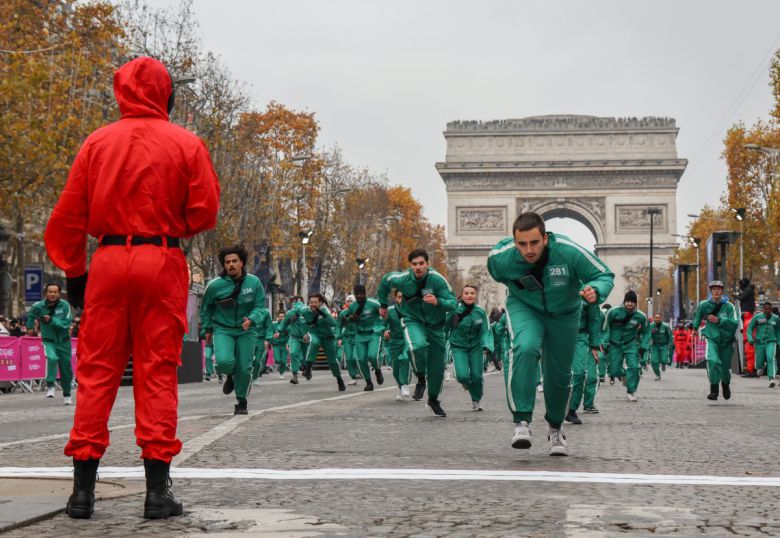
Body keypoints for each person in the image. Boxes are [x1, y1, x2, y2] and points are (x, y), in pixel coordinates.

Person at [44, 57, 220, 520]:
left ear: (121, 91)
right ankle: (156, 492)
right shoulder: (187, 143)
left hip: (106, 259)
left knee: (96, 374)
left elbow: (66, 217)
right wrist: (169, 225)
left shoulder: (96, 143)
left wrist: (75, 276)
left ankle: (82, 492)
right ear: (167, 94)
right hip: (160, 259)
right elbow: (205, 211)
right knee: (157, 374)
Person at [487, 212, 614, 456]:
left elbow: (604, 274)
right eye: (522, 244)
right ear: (514, 242)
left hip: (565, 315)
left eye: (534, 242)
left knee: (559, 374)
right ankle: (521, 421)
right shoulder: (501, 260)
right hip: (525, 308)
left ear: (545, 238)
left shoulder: (568, 252)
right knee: (525, 347)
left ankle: (555, 427)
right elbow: (493, 266)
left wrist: (595, 290)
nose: (529, 250)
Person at [377, 249, 456, 417]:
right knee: (417, 346)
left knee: (436, 368)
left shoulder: (438, 280)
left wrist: (438, 301)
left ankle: (433, 399)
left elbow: (453, 304)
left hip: (435, 326)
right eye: (414, 264)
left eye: (421, 263)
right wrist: (383, 305)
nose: (418, 267)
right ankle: (420, 377)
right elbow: (385, 281)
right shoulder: (402, 279)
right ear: (410, 265)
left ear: (427, 264)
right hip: (413, 320)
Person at [200, 246, 268, 415]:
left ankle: (241, 401)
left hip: (247, 330)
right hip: (223, 329)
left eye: (234, 261)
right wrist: (207, 328)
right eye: (227, 262)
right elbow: (206, 308)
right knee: (223, 362)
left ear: (242, 263)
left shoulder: (254, 282)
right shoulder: (214, 286)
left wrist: (252, 319)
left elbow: (260, 306)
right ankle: (230, 375)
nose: (231, 265)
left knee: (245, 368)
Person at [445, 285, 493, 411]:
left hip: (475, 347)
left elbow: (486, 331)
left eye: (472, 293)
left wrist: (487, 345)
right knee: (462, 376)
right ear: (462, 295)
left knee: (477, 376)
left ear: (475, 295)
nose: (470, 295)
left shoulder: (480, 312)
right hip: (458, 346)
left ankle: (476, 399)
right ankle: (465, 384)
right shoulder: (453, 310)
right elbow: (444, 326)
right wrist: (439, 341)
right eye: (466, 293)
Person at [26, 283, 74, 404]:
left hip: (64, 342)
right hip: (48, 341)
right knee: (51, 358)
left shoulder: (65, 305)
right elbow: (31, 315)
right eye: (50, 292)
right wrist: (30, 327)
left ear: (59, 293)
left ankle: (67, 395)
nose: (52, 294)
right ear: (46, 293)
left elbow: (66, 323)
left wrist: (52, 320)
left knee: (66, 370)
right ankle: (50, 386)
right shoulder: (38, 306)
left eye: (55, 292)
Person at [692, 280, 739, 401]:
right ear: (711, 291)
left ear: (722, 291)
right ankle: (714, 390)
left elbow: (734, 323)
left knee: (723, 367)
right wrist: (695, 329)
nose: (716, 291)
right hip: (712, 338)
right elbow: (697, 315)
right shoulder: (704, 304)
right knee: (713, 361)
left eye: (719, 288)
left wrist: (719, 320)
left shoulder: (729, 307)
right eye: (714, 289)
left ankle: (725, 384)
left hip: (726, 342)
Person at [604, 291, 648, 401]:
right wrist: (604, 343)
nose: (629, 304)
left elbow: (646, 332)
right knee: (614, 371)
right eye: (627, 301)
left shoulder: (641, 316)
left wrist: (643, 345)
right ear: (624, 301)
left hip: (631, 344)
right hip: (615, 345)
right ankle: (623, 374)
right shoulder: (613, 312)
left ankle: (631, 392)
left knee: (634, 367)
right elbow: (605, 328)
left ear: (635, 303)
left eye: (632, 302)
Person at [299, 293, 345, 391]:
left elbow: (333, 323)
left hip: (328, 336)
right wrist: (304, 333)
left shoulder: (325, 310)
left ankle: (339, 379)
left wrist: (322, 314)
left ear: (320, 302)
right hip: (314, 333)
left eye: (316, 302)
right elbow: (302, 323)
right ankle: (308, 369)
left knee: (333, 361)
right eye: (311, 302)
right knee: (314, 343)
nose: (313, 304)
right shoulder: (305, 311)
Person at [565, 300, 602, 425]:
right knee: (556, 374)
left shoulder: (587, 295)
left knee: (579, 373)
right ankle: (555, 408)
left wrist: (594, 345)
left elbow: (594, 320)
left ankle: (571, 410)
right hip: (558, 335)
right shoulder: (555, 286)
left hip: (579, 337)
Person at [344, 284, 384, 391]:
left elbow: (384, 313)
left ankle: (377, 370)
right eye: (357, 294)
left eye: (361, 294)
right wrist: (351, 319)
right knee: (361, 359)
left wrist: (382, 326)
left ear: (365, 293)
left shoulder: (374, 303)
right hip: (360, 335)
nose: (359, 296)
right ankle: (369, 382)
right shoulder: (352, 307)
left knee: (372, 356)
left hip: (373, 334)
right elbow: (347, 320)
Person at [384, 289, 411, 400]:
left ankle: (405, 385)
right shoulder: (390, 311)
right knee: (395, 369)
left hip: (408, 341)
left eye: (403, 297)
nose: (401, 300)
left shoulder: (412, 310)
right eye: (399, 297)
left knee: (405, 358)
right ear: (395, 298)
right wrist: (384, 330)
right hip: (395, 341)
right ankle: (401, 388)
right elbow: (381, 323)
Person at [747, 302, 780, 388]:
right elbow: (750, 328)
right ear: (763, 309)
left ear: (771, 309)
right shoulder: (757, 317)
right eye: (766, 309)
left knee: (771, 358)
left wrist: (778, 341)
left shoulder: (776, 318)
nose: (768, 310)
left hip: (771, 342)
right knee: (758, 363)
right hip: (759, 343)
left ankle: (771, 379)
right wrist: (750, 338)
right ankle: (761, 366)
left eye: (769, 309)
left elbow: (778, 330)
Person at [277, 296, 309, 384]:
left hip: (306, 338)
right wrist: (279, 331)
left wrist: (308, 333)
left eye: (299, 301)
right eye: (295, 301)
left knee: (305, 358)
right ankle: (295, 376)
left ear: (303, 302)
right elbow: (284, 323)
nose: (297, 303)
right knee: (293, 353)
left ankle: (307, 369)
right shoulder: (290, 313)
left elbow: (312, 323)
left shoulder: (307, 312)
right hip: (294, 337)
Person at [337, 295, 359, 385]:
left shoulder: (360, 312)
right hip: (347, 338)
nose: (350, 303)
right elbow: (339, 326)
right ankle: (353, 377)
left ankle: (361, 371)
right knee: (349, 358)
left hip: (358, 337)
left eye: (352, 301)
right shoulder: (343, 313)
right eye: (348, 301)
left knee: (355, 357)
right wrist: (339, 338)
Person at [648, 313, 674, 381]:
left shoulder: (666, 326)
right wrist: (649, 340)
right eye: (656, 317)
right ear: (653, 318)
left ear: (661, 318)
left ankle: (663, 364)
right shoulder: (650, 326)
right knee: (653, 361)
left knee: (664, 360)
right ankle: (657, 375)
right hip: (655, 346)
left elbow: (670, 336)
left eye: (659, 317)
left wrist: (671, 344)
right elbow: (647, 335)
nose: (657, 319)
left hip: (664, 345)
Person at [270, 311, 290, 379]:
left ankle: (281, 373)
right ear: (277, 317)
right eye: (280, 316)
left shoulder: (287, 325)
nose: (281, 318)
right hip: (276, 345)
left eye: (282, 316)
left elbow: (289, 335)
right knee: (278, 360)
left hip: (284, 345)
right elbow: (270, 334)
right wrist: (272, 341)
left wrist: (288, 344)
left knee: (284, 361)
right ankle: (278, 367)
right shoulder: (273, 325)